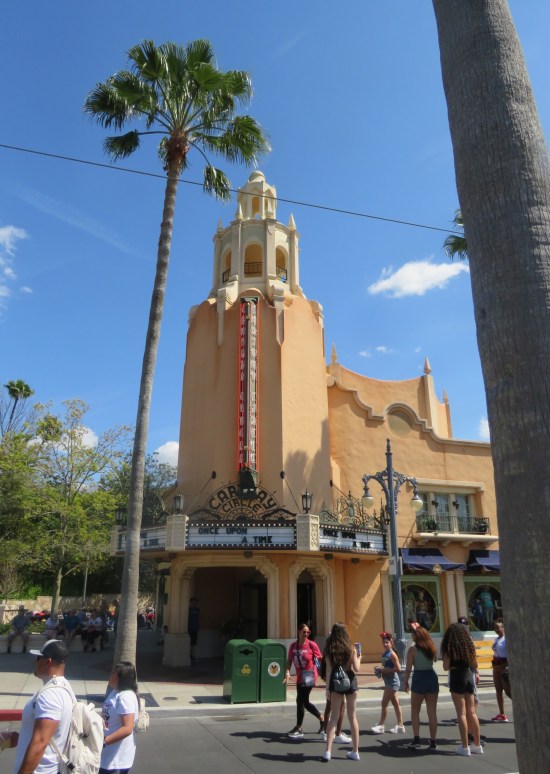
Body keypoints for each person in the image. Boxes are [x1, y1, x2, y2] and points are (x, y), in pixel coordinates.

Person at [11, 639, 75, 774]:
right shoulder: (63, 687)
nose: (35, 662)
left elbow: (40, 742)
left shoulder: (51, 695)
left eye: (38, 658)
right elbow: (52, 734)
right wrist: (18, 737)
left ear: (48, 661)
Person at [441, 622, 483, 756]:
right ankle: (477, 744)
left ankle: (465, 746)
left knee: (461, 713)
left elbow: (446, 667)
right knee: (472, 712)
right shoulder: (468, 647)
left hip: (456, 676)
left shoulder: (449, 648)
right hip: (468, 675)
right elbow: (475, 663)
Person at [322, 622, 361, 762]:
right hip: (350, 681)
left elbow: (328, 670)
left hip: (335, 683)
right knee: (352, 717)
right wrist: (359, 657)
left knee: (333, 717)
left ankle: (327, 751)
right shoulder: (351, 648)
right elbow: (356, 668)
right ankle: (355, 751)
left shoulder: (330, 649)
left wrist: (327, 688)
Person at [283, 623, 323, 739]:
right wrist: (287, 672)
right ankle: (322, 719)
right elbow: (289, 660)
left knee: (300, 700)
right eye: (304, 632)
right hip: (300, 676)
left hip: (310, 674)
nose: (306, 634)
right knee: (303, 701)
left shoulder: (312, 645)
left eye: (308, 632)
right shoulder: (293, 646)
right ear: (299, 632)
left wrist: (324, 672)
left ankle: (299, 727)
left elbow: (320, 658)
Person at [403, 623, 439, 750]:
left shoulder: (412, 650)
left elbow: (408, 669)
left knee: (415, 710)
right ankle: (433, 741)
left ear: (416, 636)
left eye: (413, 633)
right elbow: (434, 660)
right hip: (431, 676)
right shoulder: (431, 647)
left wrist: (405, 682)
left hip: (419, 677)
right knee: (432, 712)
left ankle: (416, 739)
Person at [100, 661, 140, 774]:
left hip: (116, 760)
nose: (110, 674)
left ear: (120, 678)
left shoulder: (125, 697)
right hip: (107, 756)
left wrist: (103, 742)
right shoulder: (115, 692)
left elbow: (127, 728)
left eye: (113, 673)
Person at [371, 631, 405, 735]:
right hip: (388, 681)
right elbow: (387, 666)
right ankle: (400, 725)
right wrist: (380, 669)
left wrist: (384, 670)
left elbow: (398, 668)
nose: (385, 644)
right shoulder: (385, 654)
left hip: (392, 682)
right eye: (384, 642)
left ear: (391, 643)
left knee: (384, 703)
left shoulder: (392, 654)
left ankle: (381, 725)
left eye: (387, 642)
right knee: (396, 703)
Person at [319, 647, 352, 745]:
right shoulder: (336, 648)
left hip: (332, 679)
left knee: (331, 706)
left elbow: (326, 666)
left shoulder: (331, 647)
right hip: (336, 679)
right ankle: (335, 733)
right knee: (337, 706)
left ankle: (329, 732)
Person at [491, 618, 510, 722]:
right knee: (498, 690)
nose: (496, 629)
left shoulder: (506, 639)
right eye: (495, 628)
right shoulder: (496, 639)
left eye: (498, 628)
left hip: (503, 666)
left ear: (503, 628)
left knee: (508, 691)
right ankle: (502, 713)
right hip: (496, 667)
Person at [187, 597, 200, 662]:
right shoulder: (188, 610)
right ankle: (187, 656)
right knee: (188, 643)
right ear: (190, 602)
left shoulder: (197, 610)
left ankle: (192, 656)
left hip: (195, 629)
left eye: (196, 602)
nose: (194, 603)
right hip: (189, 629)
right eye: (193, 602)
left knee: (193, 644)